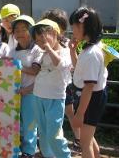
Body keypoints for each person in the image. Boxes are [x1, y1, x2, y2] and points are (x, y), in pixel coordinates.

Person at [69, 7, 108, 158]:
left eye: (74, 27)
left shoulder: (91, 53)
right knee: (89, 138)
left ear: (85, 27)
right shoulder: (90, 49)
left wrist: (79, 114)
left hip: (91, 99)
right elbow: (81, 70)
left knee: (85, 143)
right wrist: (73, 51)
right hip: (91, 97)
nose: (73, 31)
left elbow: (89, 86)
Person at [42, 8, 81, 152]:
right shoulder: (44, 41)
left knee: (70, 112)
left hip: (64, 83)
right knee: (52, 118)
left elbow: (71, 60)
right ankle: (53, 145)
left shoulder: (65, 42)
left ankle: (78, 139)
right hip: (49, 85)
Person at [31, 19, 71, 158]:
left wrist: (48, 47)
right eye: (37, 40)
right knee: (42, 132)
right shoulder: (42, 52)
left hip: (55, 98)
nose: (40, 43)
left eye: (43, 39)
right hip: (38, 95)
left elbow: (60, 65)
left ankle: (64, 156)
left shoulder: (65, 51)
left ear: (54, 33)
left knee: (54, 134)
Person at [9, 15, 42, 158]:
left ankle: (29, 151)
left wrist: (17, 66)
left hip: (31, 91)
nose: (20, 33)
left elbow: (35, 71)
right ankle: (16, 148)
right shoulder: (12, 51)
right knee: (15, 121)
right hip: (15, 92)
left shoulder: (37, 50)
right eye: (17, 30)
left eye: (24, 29)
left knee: (29, 122)